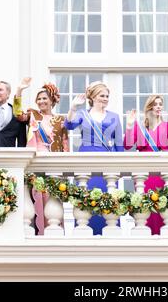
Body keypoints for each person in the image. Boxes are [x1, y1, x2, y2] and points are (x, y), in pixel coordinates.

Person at [64, 81, 124, 235]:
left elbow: (119, 144)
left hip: (107, 160)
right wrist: (73, 107)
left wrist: (120, 166)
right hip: (86, 158)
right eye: (102, 95)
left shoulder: (114, 117)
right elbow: (69, 125)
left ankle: (109, 234)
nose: (105, 98)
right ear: (93, 97)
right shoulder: (83, 114)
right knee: (87, 197)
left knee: (108, 198)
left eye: (107, 96)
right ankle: (85, 233)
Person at [13, 79, 69, 235]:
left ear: (52, 100)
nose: (41, 101)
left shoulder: (61, 120)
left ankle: (55, 231)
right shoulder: (33, 114)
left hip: (54, 162)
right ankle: (39, 233)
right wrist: (19, 90)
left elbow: (65, 143)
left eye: (44, 98)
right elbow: (18, 114)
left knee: (54, 196)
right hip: (36, 160)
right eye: (39, 99)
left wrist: (65, 165)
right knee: (37, 196)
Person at [123, 95, 168, 235]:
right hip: (145, 176)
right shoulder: (140, 128)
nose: (159, 106)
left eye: (161, 104)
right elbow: (127, 145)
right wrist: (130, 126)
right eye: (155, 104)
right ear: (149, 108)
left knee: (162, 211)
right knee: (145, 211)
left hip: (162, 175)